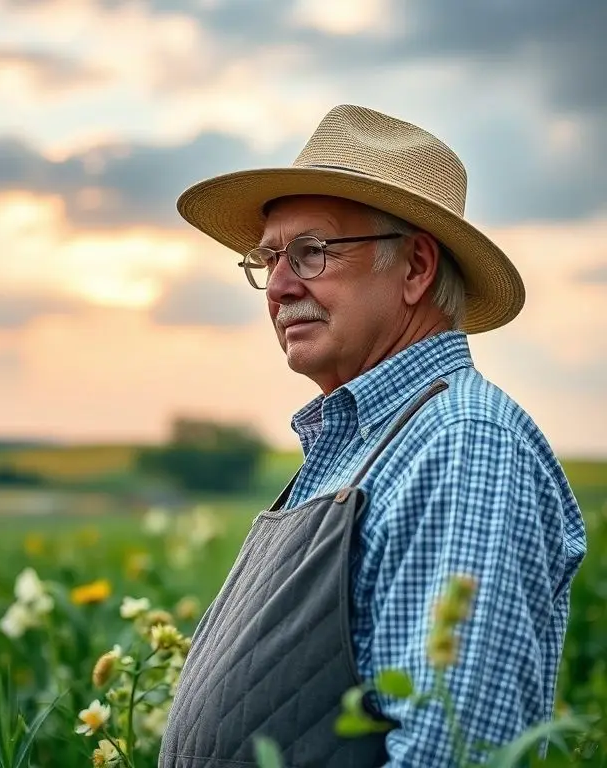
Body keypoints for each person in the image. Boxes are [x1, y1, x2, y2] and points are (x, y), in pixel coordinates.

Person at [158, 105, 587, 767]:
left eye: (311, 252)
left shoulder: (464, 443)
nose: (276, 286)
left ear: (415, 267)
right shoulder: (369, 440)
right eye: (268, 257)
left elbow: (455, 749)